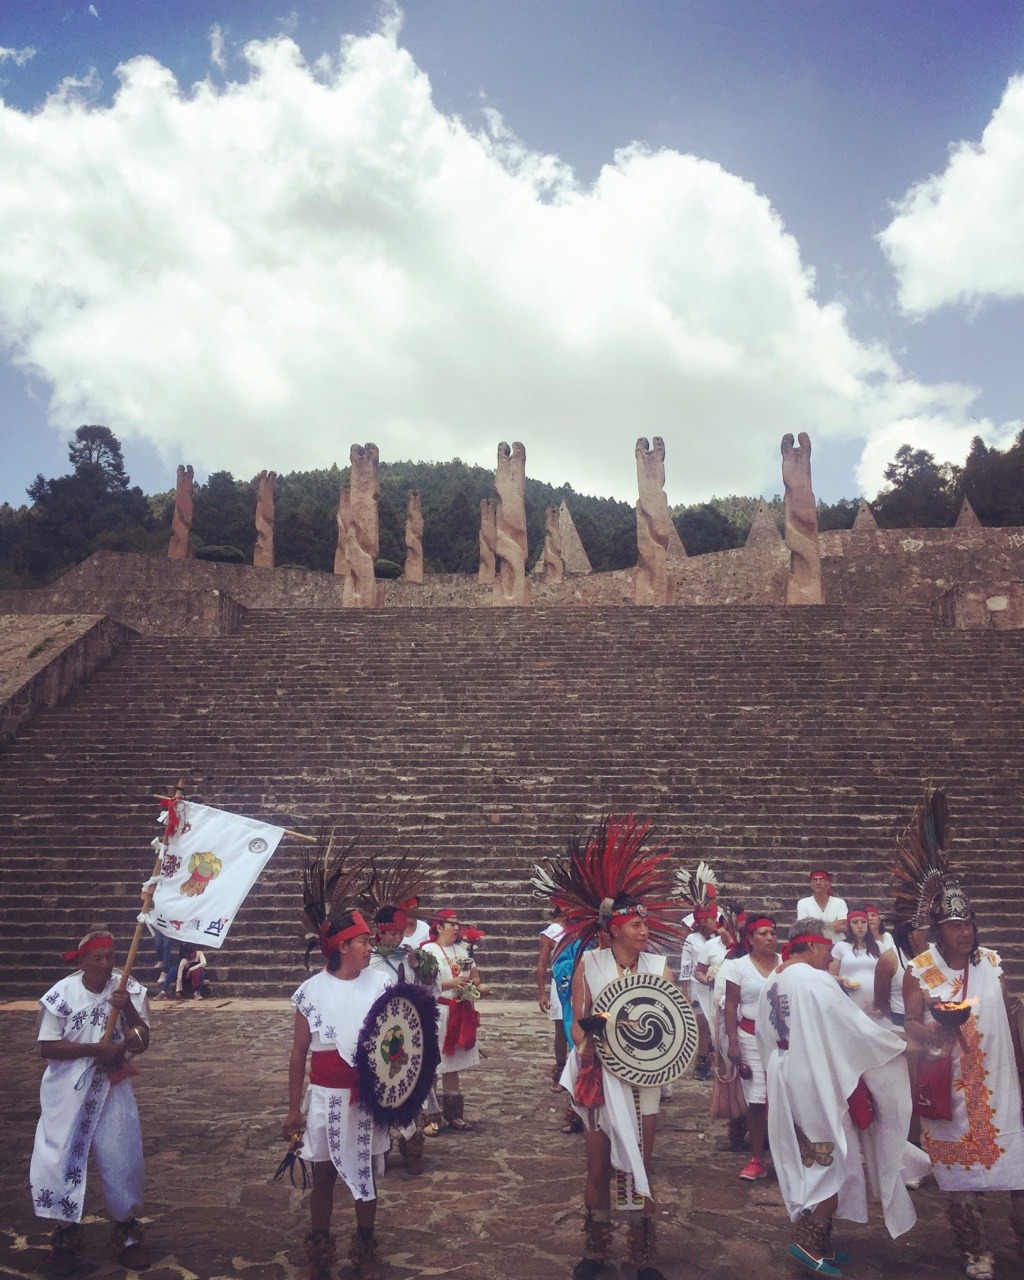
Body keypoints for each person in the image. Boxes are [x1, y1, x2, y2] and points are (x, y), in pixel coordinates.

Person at [756, 920, 917, 1277]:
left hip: (787, 1072)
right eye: (827, 948)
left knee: (816, 1155)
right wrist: (899, 1043)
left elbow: (764, 1035)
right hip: (811, 1078)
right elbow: (853, 1027)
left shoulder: (775, 978)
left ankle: (822, 1242)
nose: (831, 955)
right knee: (829, 1157)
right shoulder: (815, 980)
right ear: (811, 946)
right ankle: (807, 1242)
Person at [903, 884, 1024, 1279]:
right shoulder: (921, 969)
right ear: (939, 929)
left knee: (1018, 1169)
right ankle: (977, 1252)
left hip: (1000, 1088)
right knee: (959, 1180)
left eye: (968, 924)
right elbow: (909, 1023)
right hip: (949, 1087)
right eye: (955, 925)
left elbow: (1008, 1017)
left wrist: (1021, 1071)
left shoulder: (991, 962)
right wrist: (935, 1032)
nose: (964, 932)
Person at [566, 893, 675, 1280]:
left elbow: (672, 1027)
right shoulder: (590, 964)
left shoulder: (660, 968)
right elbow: (579, 1023)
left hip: (643, 1082)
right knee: (597, 1167)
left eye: (646, 925)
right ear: (614, 930)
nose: (645, 932)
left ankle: (642, 1253)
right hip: (601, 1078)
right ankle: (596, 1250)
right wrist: (589, 1042)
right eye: (636, 925)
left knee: (640, 1165)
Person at [30, 929, 151, 1274]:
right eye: (97, 958)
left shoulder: (128, 989)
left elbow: (142, 1040)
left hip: (112, 1088)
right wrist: (95, 1049)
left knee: (122, 1155)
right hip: (68, 1090)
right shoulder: (61, 996)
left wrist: (126, 1008)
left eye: (110, 957)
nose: (105, 963)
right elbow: (48, 1047)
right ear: (82, 960)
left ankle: (127, 1232)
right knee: (60, 1156)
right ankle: (65, 1233)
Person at [283, 909, 390, 1280]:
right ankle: (320, 1246)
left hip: (366, 1096)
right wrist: (293, 1109)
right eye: (363, 941)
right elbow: (299, 1052)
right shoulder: (311, 991)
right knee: (323, 1175)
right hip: (325, 1095)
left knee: (365, 1173)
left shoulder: (381, 984)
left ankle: (365, 1245)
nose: (369, 947)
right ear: (343, 946)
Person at [724, 916, 781, 1181]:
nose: (770, 938)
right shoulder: (738, 967)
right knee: (757, 1099)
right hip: (749, 1036)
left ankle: (790, 1156)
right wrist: (733, 1042)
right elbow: (731, 1005)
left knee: (787, 1097)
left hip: (783, 1039)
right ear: (750, 938)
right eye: (763, 933)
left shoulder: (786, 964)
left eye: (772, 933)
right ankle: (757, 1157)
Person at [421, 908, 482, 1130]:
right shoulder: (428, 951)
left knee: (452, 1065)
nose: (456, 928)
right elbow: (425, 982)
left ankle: (453, 1113)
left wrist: (473, 987)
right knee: (434, 1065)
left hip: (459, 1010)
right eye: (451, 924)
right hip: (439, 1011)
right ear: (438, 927)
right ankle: (430, 1116)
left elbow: (475, 976)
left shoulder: (463, 949)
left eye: (458, 924)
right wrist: (451, 984)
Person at [537, 905, 567, 1091]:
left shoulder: (584, 929)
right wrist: (542, 993)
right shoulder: (551, 933)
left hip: (582, 977)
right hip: (560, 982)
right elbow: (542, 964)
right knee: (561, 1027)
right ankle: (561, 1071)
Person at [829, 909, 882, 1015]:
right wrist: (842, 980)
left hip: (876, 1000)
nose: (860, 926)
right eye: (855, 922)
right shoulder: (841, 946)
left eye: (863, 922)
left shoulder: (879, 947)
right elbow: (831, 976)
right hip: (851, 1000)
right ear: (849, 926)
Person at [795, 870, 849, 938]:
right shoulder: (803, 903)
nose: (818, 883)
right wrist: (832, 925)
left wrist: (815, 926)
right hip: (814, 943)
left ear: (828, 884)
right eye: (815, 880)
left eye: (821, 880)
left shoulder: (839, 902)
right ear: (811, 885)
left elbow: (842, 926)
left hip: (836, 942)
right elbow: (803, 928)